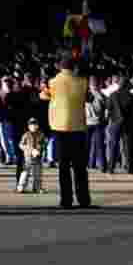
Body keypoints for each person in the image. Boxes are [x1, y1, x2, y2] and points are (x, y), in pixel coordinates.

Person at [45, 53, 90, 208]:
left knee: (63, 167)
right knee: (80, 167)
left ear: (60, 66)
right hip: (78, 127)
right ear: (73, 67)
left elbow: (43, 96)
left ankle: (66, 200)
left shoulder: (53, 82)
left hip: (60, 127)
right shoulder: (83, 82)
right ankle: (83, 199)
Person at [17, 118, 47, 194]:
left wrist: (40, 149)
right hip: (28, 157)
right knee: (25, 173)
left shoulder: (41, 134)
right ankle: (21, 186)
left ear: (37, 126)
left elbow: (44, 144)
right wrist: (29, 149)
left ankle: (37, 187)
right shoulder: (26, 135)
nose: (33, 126)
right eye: (31, 125)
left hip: (38, 157)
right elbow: (21, 145)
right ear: (28, 126)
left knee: (37, 173)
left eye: (35, 124)